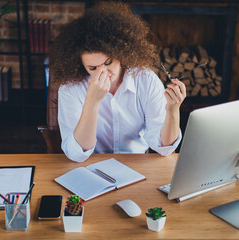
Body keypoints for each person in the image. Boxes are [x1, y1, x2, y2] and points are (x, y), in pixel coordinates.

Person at [49, 2, 186, 162]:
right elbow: (76, 154)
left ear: (121, 53)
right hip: (90, 166)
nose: (103, 73)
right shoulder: (71, 88)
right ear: (80, 64)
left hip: (136, 164)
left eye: (108, 63)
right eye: (92, 68)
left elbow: (164, 148)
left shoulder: (145, 80)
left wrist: (172, 110)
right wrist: (92, 102)